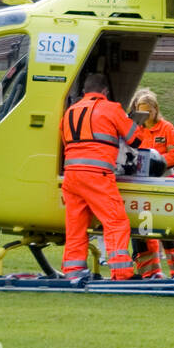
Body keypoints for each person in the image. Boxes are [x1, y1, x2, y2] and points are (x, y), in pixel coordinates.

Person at [59, 73, 143, 280]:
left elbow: (65, 142)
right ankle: (121, 272)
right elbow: (135, 139)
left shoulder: (70, 111)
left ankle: (73, 271)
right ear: (105, 91)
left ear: (85, 91)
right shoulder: (111, 108)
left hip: (71, 176)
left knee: (76, 225)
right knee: (116, 221)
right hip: (97, 175)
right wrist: (133, 121)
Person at [127, 88, 174, 279]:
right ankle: (150, 272)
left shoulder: (167, 128)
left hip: (163, 181)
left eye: (149, 110)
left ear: (156, 109)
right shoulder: (135, 129)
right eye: (142, 110)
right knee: (142, 230)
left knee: (167, 230)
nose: (146, 114)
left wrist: (156, 161)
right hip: (140, 184)